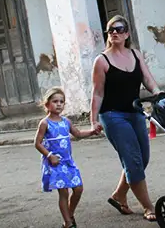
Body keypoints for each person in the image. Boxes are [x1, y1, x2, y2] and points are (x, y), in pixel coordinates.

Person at [90, 15, 161, 222]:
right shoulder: (101, 60)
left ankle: (119, 195)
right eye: (111, 30)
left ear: (127, 33)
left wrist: (160, 95)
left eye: (119, 29)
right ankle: (148, 206)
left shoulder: (135, 54)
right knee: (133, 160)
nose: (114, 33)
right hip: (112, 115)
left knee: (142, 159)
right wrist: (93, 120)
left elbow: (148, 79)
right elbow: (97, 93)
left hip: (135, 113)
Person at [35, 87, 98, 228]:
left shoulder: (66, 122)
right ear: (47, 104)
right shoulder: (45, 123)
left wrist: (92, 132)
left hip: (68, 162)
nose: (58, 104)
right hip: (55, 163)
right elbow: (37, 143)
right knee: (63, 192)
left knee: (78, 189)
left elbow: (78, 134)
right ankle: (68, 223)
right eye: (55, 101)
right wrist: (50, 156)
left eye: (61, 102)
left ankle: (69, 213)